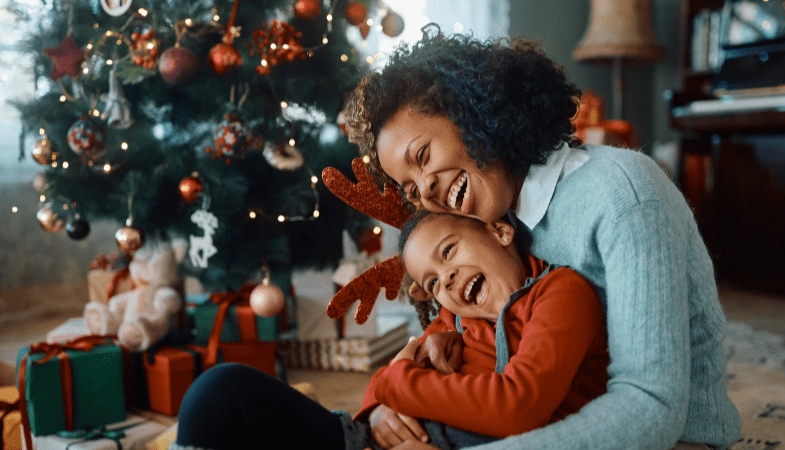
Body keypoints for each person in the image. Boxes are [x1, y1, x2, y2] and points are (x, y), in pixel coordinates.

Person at [342, 24, 742, 450]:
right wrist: (379, 405)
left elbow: (651, 408)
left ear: (468, 112)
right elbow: (442, 332)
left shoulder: (622, 195)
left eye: (422, 156)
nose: (425, 191)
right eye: (410, 190)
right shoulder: (495, 217)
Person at [171, 210, 609, 450]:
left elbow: (519, 406)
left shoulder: (559, 292)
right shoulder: (455, 320)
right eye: (433, 284)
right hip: (366, 440)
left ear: (500, 231)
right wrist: (377, 410)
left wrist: (397, 382)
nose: (446, 280)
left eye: (449, 251)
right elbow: (381, 385)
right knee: (219, 390)